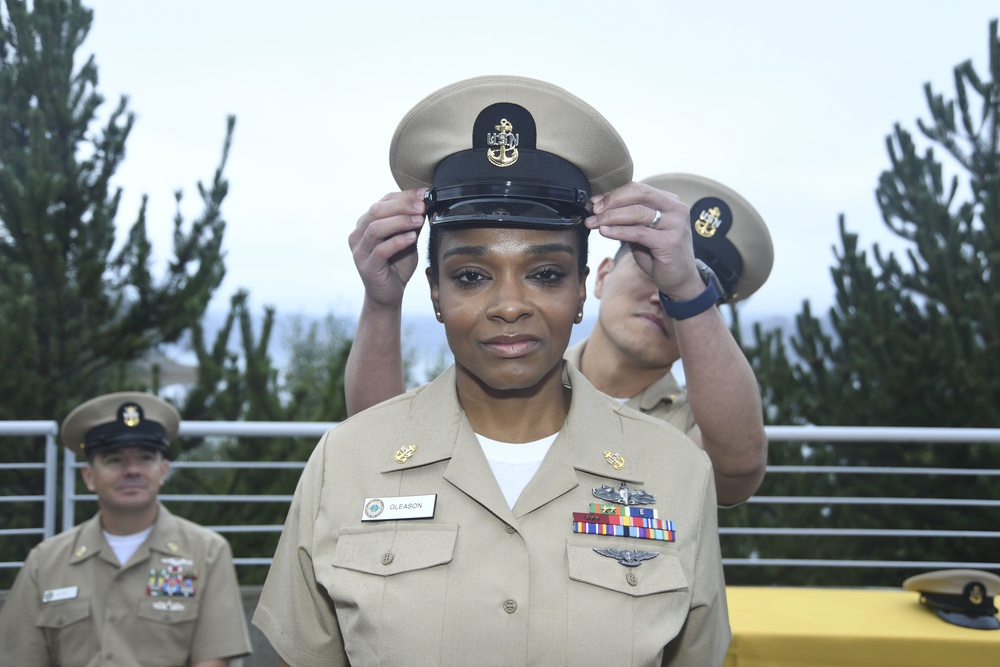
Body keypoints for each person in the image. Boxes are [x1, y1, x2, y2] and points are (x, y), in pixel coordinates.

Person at [254, 74, 730, 665]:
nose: (510, 305)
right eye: (472, 276)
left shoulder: (676, 471)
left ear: (584, 289)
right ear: (433, 292)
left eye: (547, 274)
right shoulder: (344, 462)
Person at [345, 171, 773, 506]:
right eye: (651, 270)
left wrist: (688, 294)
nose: (661, 296)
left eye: (683, 283)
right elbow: (381, 446)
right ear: (600, 278)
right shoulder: (505, 366)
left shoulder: (685, 437)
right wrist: (382, 304)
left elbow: (738, 465)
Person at [0, 392, 253, 667]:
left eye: (145, 458)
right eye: (114, 460)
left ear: (163, 470)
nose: (132, 470)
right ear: (89, 476)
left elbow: (212, 660)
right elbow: (20, 658)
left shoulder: (206, 553)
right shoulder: (45, 562)